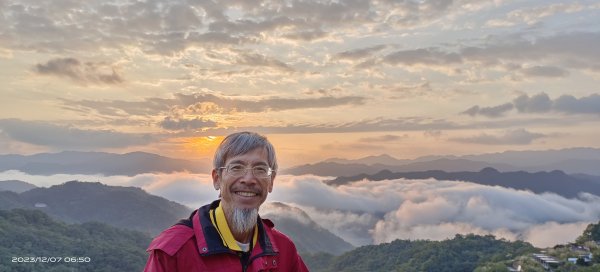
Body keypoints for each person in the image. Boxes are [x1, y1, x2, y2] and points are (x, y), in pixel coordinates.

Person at [144, 131, 309, 272]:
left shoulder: (283, 249)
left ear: (271, 181)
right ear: (217, 179)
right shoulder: (174, 251)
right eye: (236, 167)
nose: (249, 179)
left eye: (260, 169)